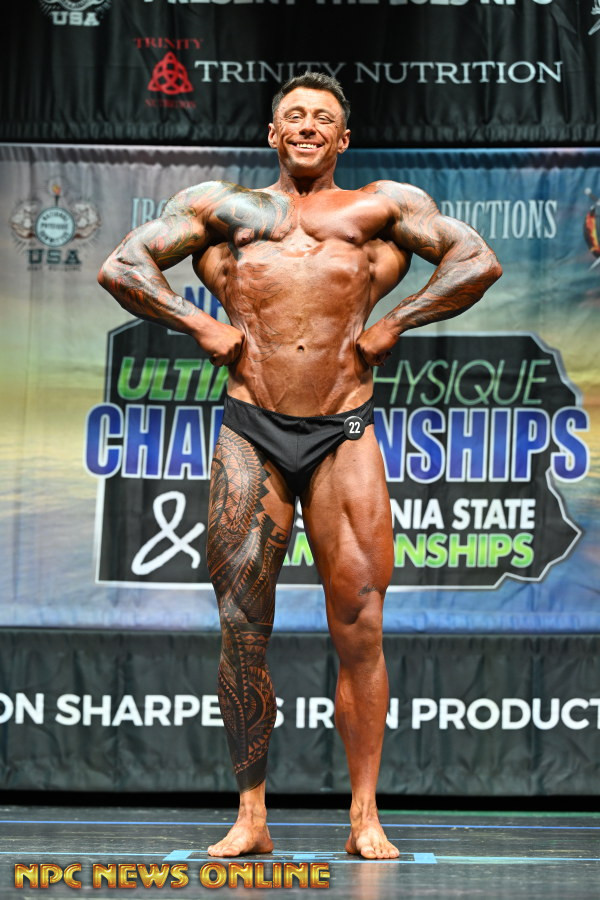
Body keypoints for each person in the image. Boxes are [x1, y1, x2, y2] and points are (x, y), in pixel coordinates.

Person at [98, 72, 501, 860]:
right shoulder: (223, 207)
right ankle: (251, 815)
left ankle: (364, 815)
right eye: (294, 116)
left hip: (343, 430)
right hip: (251, 428)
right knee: (242, 628)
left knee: (361, 624)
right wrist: (198, 325)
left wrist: (396, 323)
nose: (308, 126)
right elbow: (123, 265)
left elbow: (476, 261)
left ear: (343, 138)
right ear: (272, 133)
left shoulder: (380, 207)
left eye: (322, 118)